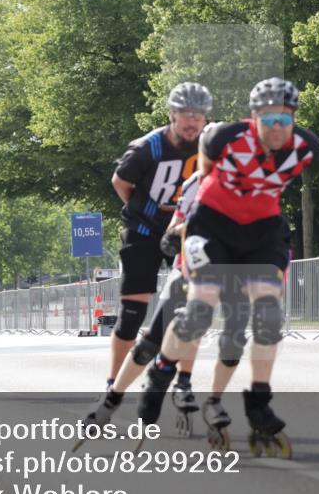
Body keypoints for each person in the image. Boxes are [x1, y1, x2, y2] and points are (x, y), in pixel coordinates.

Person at [141, 77, 319, 458]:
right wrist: (181, 228)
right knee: (199, 309)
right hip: (214, 224)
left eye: (285, 118)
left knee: (269, 314)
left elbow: (275, 186)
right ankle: (161, 369)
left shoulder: (305, 147)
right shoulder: (222, 138)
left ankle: (257, 401)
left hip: (262, 230)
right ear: (253, 117)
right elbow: (201, 181)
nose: (277, 126)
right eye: (268, 118)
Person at [82, 170, 251, 443]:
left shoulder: (256, 182)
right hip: (189, 270)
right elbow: (176, 224)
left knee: (233, 340)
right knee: (152, 342)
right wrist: (175, 234)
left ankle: (200, 393)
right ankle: (111, 399)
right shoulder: (196, 182)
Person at [105, 82, 212, 391]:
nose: (192, 122)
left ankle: (184, 383)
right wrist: (145, 210)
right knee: (132, 314)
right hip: (144, 231)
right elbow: (120, 182)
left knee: (194, 308)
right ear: (171, 115)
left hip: (185, 232)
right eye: (185, 114)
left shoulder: (211, 146)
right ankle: (113, 384)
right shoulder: (148, 147)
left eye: (198, 115)